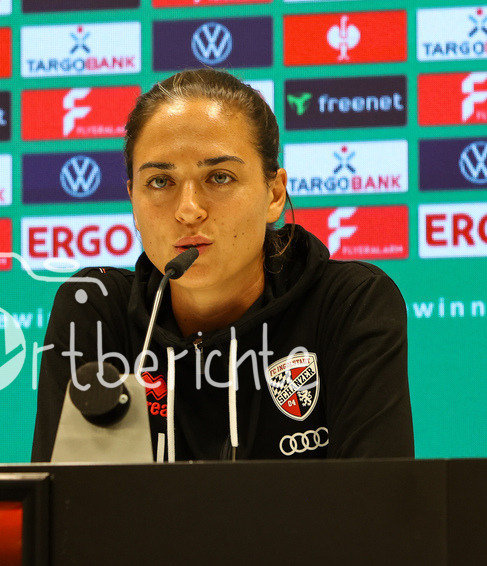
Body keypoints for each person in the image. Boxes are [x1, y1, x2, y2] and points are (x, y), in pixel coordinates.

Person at [31, 68, 413, 461]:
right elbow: (66, 511)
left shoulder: (348, 305)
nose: (188, 210)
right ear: (133, 198)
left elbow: (378, 511)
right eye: (160, 182)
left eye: (220, 177)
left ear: (274, 195)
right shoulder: (94, 313)